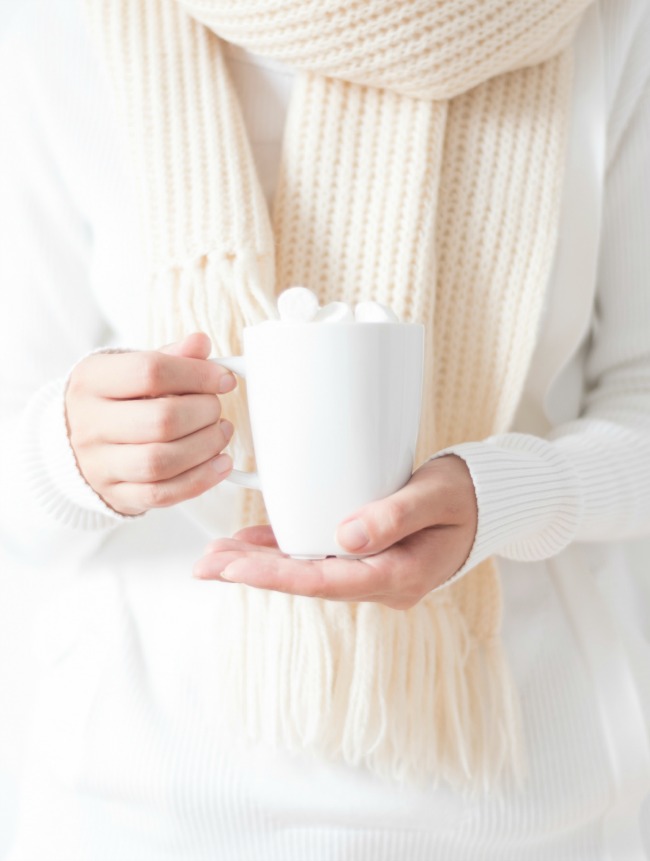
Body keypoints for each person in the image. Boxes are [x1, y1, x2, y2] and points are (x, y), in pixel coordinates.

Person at [0, 0, 649, 859]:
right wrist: (65, 459)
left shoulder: (606, 22)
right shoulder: (57, 25)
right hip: (149, 806)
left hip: (521, 799)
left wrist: (506, 497)